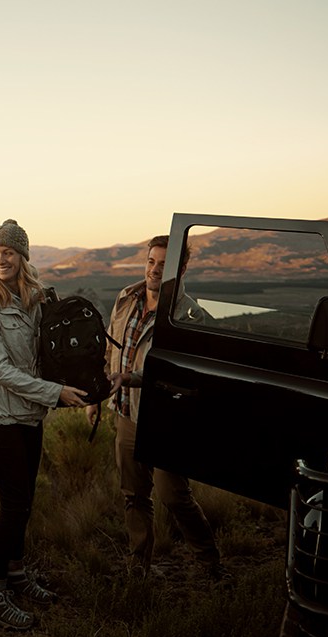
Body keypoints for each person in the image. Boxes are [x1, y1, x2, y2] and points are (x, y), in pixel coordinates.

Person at [85, 235, 229, 582]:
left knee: (174, 496)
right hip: (126, 414)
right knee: (133, 495)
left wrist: (131, 377)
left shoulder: (188, 314)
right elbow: (109, 350)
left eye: (163, 265)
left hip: (166, 420)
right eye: (151, 262)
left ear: (181, 269)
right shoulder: (126, 298)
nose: (154, 270)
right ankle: (139, 566)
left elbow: (182, 372)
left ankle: (210, 565)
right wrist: (95, 395)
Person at [0, 219, 88, 630]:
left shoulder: (32, 301)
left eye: (8, 253)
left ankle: (16, 574)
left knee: (26, 503)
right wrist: (56, 394)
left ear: (23, 258)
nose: (1, 260)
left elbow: (47, 353)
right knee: (13, 505)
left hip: (29, 416)